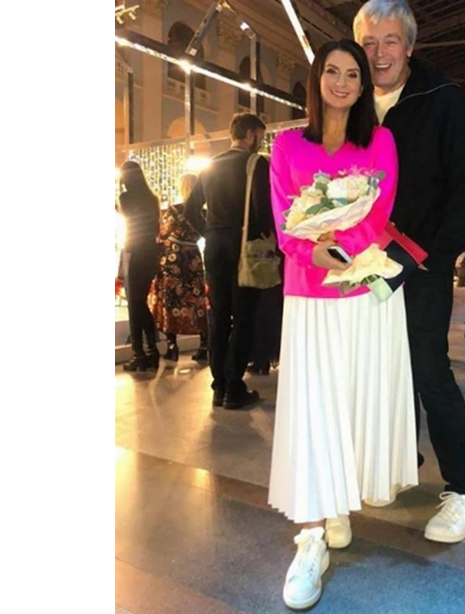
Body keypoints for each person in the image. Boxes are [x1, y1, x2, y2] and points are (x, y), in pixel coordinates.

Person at [267, 38, 417, 610]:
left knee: (354, 402)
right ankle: (311, 537)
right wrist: (313, 250)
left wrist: (342, 247)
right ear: (316, 79)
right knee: (313, 406)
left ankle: (336, 504)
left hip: (362, 290)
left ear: (363, 85)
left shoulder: (380, 141)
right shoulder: (287, 145)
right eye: (331, 71)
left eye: (352, 74)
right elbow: (284, 221)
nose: (341, 82)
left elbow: (379, 212)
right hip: (309, 293)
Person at [354, 0, 465, 543]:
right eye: (369, 43)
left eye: (390, 41)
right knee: (381, 367)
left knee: (429, 368)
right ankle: (396, 462)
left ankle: (464, 489)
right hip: (365, 261)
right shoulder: (354, 101)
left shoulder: (441, 99)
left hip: (422, 261)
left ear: (410, 46)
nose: (379, 53)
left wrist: (434, 254)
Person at [184, 113, 272, 409]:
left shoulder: (210, 165)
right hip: (244, 247)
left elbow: (190, 209)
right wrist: (264, 235)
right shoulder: (255, 163)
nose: (260, 142)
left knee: (219, 316)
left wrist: (209, 230)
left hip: (214, 245)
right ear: (250, 134)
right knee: (243, 316)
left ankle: (219, 385)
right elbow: (262, 209)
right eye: (260, 136)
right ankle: (234, 386)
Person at [150, 173, 208, 363]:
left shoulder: (174, 210)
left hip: (173, 259)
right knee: (196, 299)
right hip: (193, 257)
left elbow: (162, 234)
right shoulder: (203, 213)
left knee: (171, 300)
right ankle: (204, 344)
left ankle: (172, 345)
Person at [118, 160, 161, 371]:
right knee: (140, 302)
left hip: (134, 252)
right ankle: (151, 350)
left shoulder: (125, 198)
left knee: (134, 305)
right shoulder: (152, 199)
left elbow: (125, 215)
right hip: (150, 252)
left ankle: (139, 354)